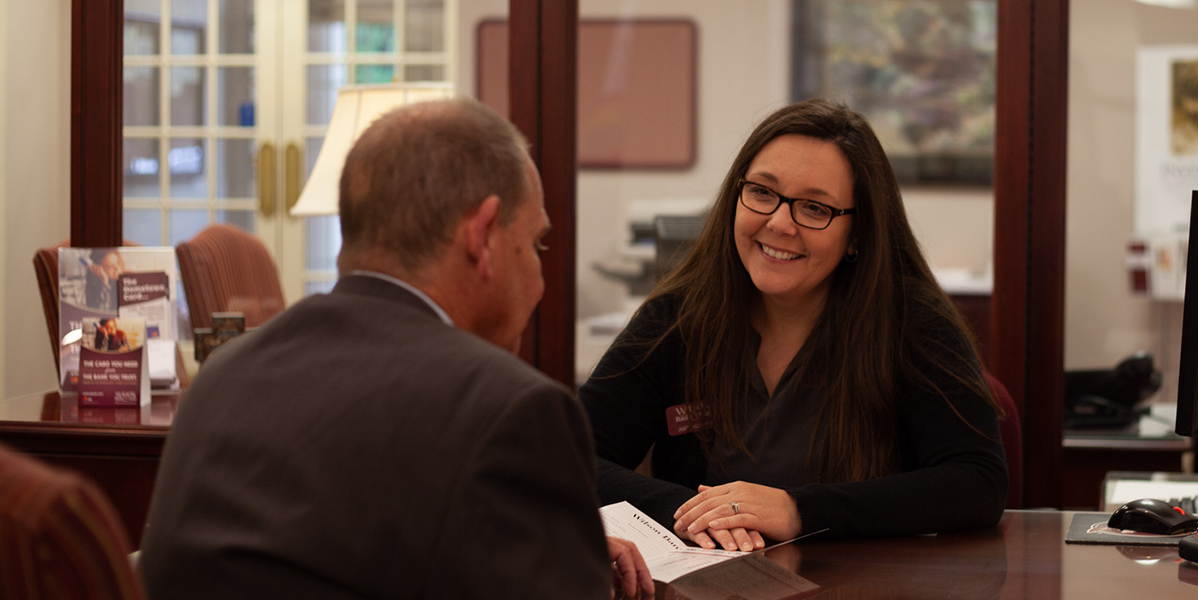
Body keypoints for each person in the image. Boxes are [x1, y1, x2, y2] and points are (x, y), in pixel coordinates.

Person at [139, 98, 653, 600]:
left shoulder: (226, 370)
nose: (540, 279)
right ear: (483, 235)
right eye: (536, 243)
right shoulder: (512, 409)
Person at [581, 99, 1006, 553]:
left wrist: (798, 510)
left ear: (857, 235)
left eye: (814, 208)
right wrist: (691, 511)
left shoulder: (910, 322)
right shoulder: (676, 317)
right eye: (762, 192)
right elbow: (571, 455)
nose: (779, 223)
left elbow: (977, 481)